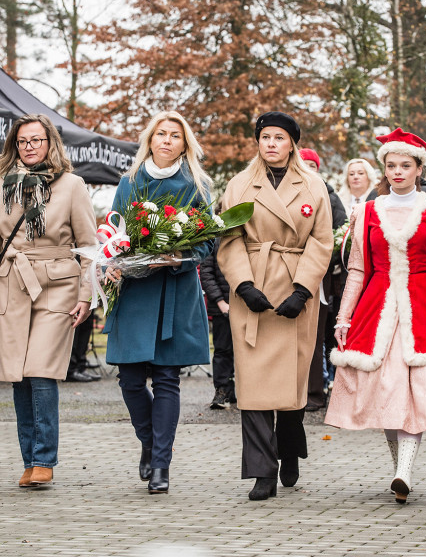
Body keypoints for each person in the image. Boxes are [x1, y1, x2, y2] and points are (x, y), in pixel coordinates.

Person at [326, 129, 426, 504]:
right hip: (376, 310)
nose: (397, 171)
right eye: (391, 165)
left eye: (405, 165)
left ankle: (404, 471)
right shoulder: (366, 212)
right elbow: (357, 270)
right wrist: (343, 317)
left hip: (424, 309)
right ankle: (400, 471)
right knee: (386, 392)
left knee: (415, 393)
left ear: (419, 168)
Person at [0, 114, 96, 489]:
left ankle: (43, 459)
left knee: (41, 370)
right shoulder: (1, 184)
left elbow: (89, 247)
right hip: (12, 284)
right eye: (22, 141)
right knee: (18, 375)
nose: (29, 147)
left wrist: (86, 295)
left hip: (57, 285)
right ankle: (29, 460)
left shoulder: (72, 185)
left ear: (50, 143)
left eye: (36, 140)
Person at [218, 111, 332, 501]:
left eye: (279, 137)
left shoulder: (313, 185)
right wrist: (243, 284)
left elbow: (322, 242)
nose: (271, 143)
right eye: (265, 136)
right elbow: (229, 239)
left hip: (296, 290)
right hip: (253, 289)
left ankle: (289, 447)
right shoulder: (239, 184)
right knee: (253, 387)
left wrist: (303, 290)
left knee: (291, 382)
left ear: (292, 143)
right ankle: (262, 472)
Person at [103, 110, 214, 495]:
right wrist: (111, 262)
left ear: (185, 145)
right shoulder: (129, 182)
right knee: (130, 379)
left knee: (167, 378)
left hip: (174, 290)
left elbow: (208, 240)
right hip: (134, 291)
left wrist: (178, 257)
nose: (167, 140)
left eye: (175, 135)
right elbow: (114, 231)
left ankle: (161, 464)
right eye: (161, 133)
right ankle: (149, 442)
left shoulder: (197, 184)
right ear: (150, 139)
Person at [298, 147, 347, 411]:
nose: (307, 170)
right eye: (302, 164)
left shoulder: (329, 196)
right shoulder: (288, 192)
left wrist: (323, 259)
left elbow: (341, 235)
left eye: (312, 166)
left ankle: (314, 393)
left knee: (315, 336)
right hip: (286, 271)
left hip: (320, 275)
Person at [200, 237, 235, 409]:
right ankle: (222, 391)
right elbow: (206, 273)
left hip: (248, 305)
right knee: (222, 350)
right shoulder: (214, 240)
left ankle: (244, 391)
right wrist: (221, 302)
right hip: (221, 307)